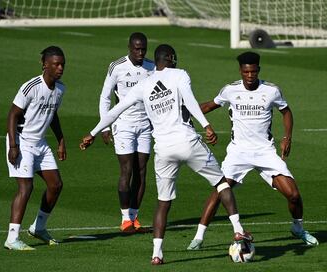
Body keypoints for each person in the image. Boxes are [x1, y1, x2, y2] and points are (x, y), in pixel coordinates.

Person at [80, 44, 252, 265]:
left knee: (163, 202)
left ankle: (157, 254)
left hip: (163, 149)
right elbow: (189, 99)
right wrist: (206, 124)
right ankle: (238, 230)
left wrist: (93, 133)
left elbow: (116, 109)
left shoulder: (143, 85)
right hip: (187, 141)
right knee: (221, 184)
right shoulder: (180, 75)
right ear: (170, 58)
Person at [187, 51, 319, 250]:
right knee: (219, 191)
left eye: (254, 72)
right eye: (246, 72)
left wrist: (287, 137)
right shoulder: (230, 90)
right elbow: (209, 106)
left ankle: (298, 228)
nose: (250, 76)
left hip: (265, 152)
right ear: (241, 71)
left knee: (293, 194)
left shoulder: (272, 90)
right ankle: (198, 237)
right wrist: (183, 111)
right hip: (238, 152)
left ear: (259, 70)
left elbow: (286, 111)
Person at [4, 46, 66, 250]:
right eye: (56, 64)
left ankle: (38, 228)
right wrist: (13, 145)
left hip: (40, 143)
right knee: (26, 187)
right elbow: (12, 114)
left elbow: (53, 114)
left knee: (56, 184)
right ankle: (12, 239)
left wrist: (61, 139)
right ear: (45, 65)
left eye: (62, 64)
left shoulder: (60, 89)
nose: (60, 68)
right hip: (22, 141)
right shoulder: (31, 87)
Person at [98, 32, 155, 232]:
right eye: (136, 49)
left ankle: (134, 217)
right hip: (123, 125)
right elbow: (105, 97)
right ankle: (125, 220)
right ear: (129, 48)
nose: (140, 53)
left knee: (142, 170)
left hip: (146, 125)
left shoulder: (152, 67)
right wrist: (105, 126)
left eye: (143, 49)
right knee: (127, 169)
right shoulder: (117, 67)